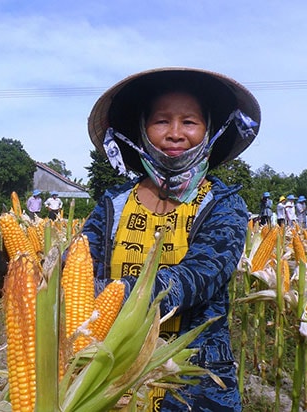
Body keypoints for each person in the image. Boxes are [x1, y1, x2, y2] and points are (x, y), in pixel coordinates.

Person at [83, 67, 261, 411]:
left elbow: (198, 277)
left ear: (209, 129)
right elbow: (78, 262)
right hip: (110, 374)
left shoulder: (223, 205)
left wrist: (114, 295)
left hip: (194, 381)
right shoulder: (113, 203)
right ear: (142, 129)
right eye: (162, 121)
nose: (176, 133)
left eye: (190, 122)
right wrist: (25, 270)